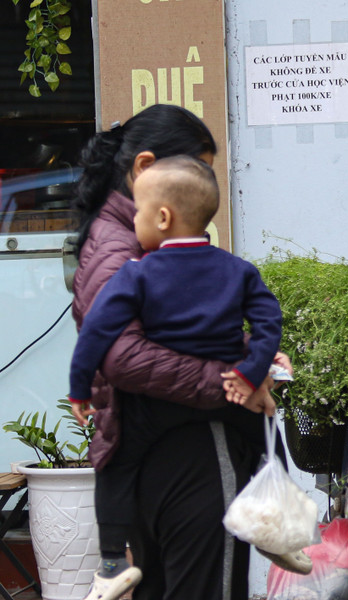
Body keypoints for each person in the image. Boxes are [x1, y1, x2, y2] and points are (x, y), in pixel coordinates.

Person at [70, 104, 294, 600]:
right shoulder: (126, 250)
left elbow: (178, 329)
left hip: (156, 448)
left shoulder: (131, 242)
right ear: (147, 169)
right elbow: (122, 356)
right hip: (189, 447)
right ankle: (281, 524)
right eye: (198, 168)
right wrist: (233, 381)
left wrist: (251, 358)